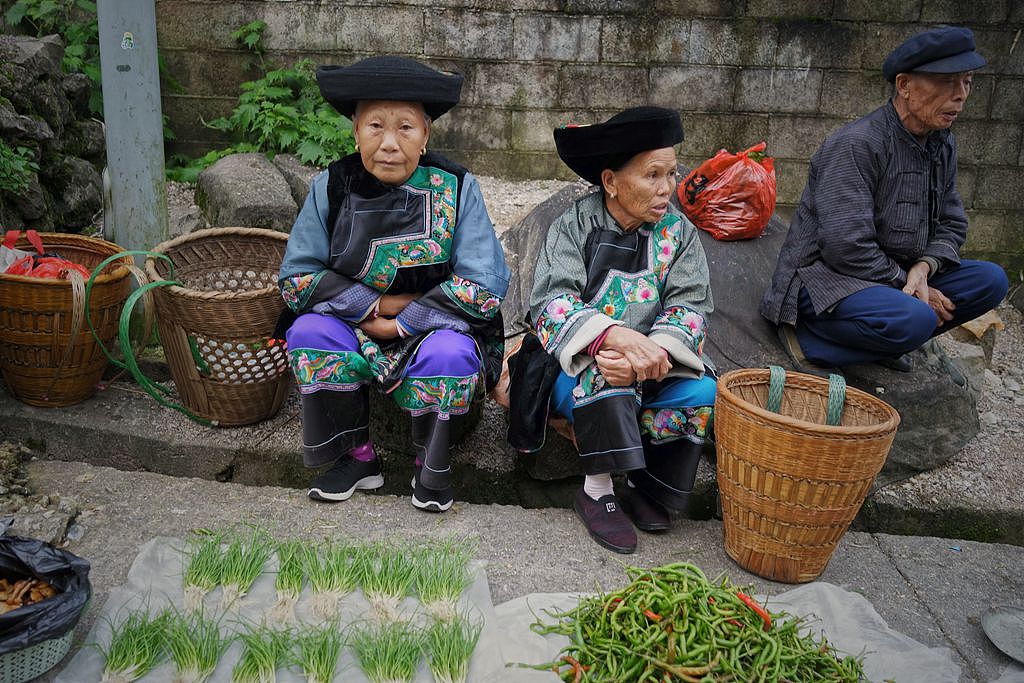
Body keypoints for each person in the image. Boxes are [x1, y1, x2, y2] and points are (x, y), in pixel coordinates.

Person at [278, 56, 510, 512]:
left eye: (405, 127)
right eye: (375, 126)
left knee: (451, 355)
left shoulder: (458, 187)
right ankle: (356, 457)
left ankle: (430, 467)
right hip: (352, 325)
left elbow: (482, 284)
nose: (389, 143)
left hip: (436, 330)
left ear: (425, 135)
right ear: (354, 132)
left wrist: (404, 323)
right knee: (307, 333)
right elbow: (297, 278)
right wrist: (377, 309)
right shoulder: (332, 185)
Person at [509, 107, 716, 554]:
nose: (667, 189)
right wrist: (615, 340)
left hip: (652, 362)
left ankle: (650, 487)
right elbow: (551, 302)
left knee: (702, 393)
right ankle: (597, 491)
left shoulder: (678, 233)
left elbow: (691, 305)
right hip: (574, 364)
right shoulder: (574, 225)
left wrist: (652, 355)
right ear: (610, 182)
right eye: (652, 175)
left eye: (672, 174)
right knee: (604, 374)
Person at [761, 26, 1009, 374]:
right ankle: (810, 339)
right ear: (904, 85)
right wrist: (907, 284)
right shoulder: (857, 144)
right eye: (947, 82)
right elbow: (845, 247)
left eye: (967, 82)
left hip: (898, 277)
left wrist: (923, 270)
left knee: (991, 280)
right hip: (828, 280)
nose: (961, 95)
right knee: (916, 317)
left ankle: (880, 338)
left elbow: (952, 224)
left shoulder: (942, 143)